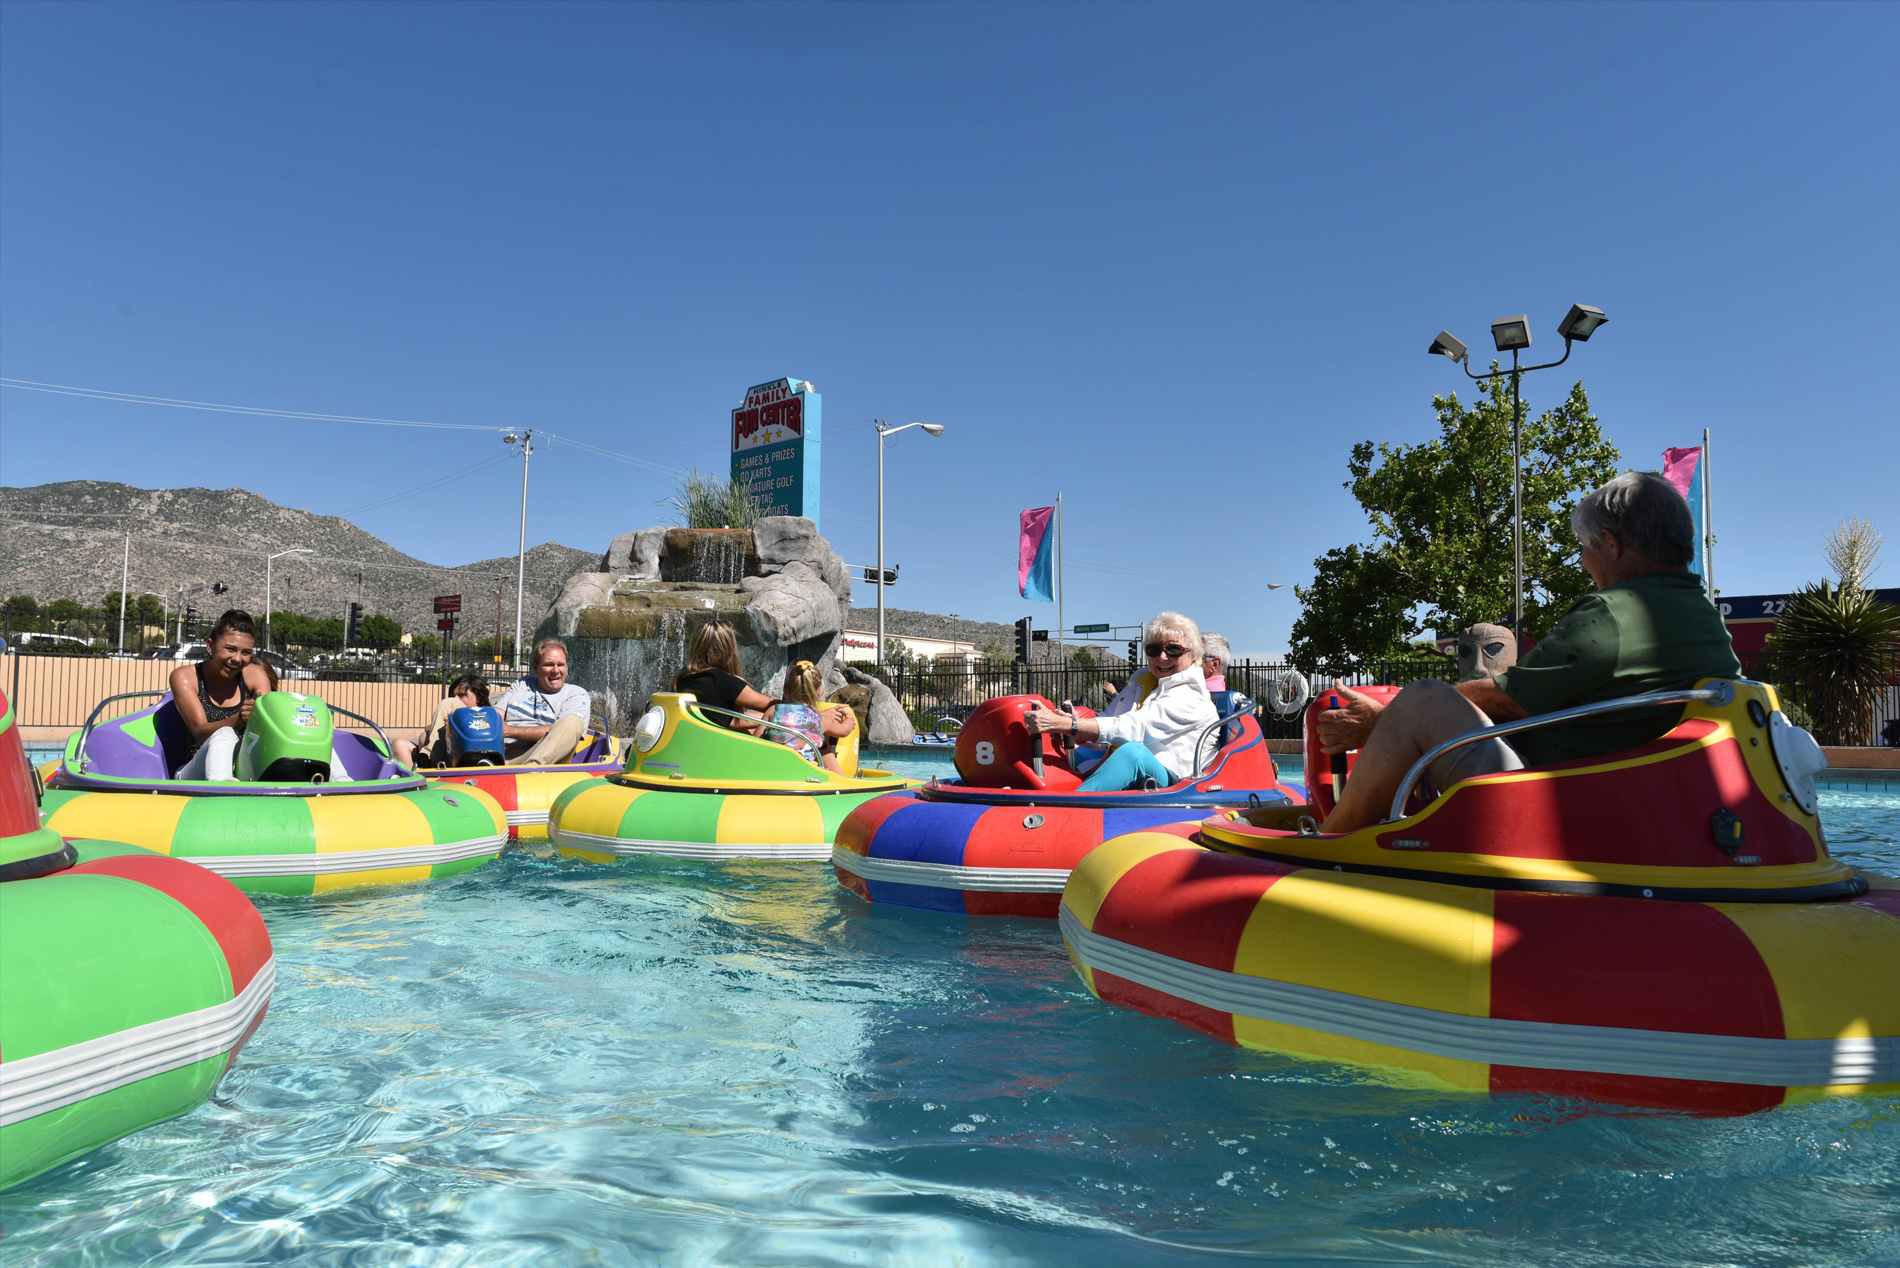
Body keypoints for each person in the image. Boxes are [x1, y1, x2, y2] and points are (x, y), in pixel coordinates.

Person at [1316, 471, 1744, 835]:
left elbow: (1509, 700)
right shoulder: (1706, 620)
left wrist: (1384, 719)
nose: (1582, 562)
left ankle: (1331, 843)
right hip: (1651, 804)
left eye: (1584, 547)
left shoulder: (1613, 613)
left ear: (1611, 544)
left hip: (1565, 809)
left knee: (1422, 701)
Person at [1024, 610, 1219, 791]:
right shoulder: (1143, 682)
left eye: (1174, 649)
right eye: (1154, 649)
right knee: (1064, 755)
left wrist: (1069, 725)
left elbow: (1134, 729)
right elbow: (1109, 720)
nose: (1162, 657)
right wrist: (1077, 728)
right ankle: (1021, 791)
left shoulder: (1191, 693)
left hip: (1176, 782)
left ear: (1194, 656)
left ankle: (1062, 807)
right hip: (1122, 762)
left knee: (1134, 754)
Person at [170, 609, 274, 780]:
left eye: (246, 652)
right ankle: (221, 790)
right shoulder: (185, 677)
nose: (237, 659)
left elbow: (267, 726)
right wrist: (240, 718)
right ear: (210, 646)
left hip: (243, 769)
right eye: (230, 649)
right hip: (194, 774)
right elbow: (201, 733)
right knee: (224, 734)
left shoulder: (255, 674)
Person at [497, 638, 592, 765]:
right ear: (535, 668)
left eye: (560, 665)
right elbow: (496, 715)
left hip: (542, 758)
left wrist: (509, 731)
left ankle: (532, 769)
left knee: (573, 721)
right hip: (502, 753)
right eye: (549, 665)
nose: (556, 670)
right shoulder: (522, 684)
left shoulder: (576, 695)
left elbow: (562, 732)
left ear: (567, 668)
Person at [674, 619, 775, 731]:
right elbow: (774, 706)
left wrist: (766, 717)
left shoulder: (682, 678)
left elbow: (729, 720)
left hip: (697, 734)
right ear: (728, 648)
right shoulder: (723, 682)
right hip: (717, 739)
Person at [767, 659, 857, 772]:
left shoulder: (773, 710)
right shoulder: (820, 719)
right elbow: (844, 730)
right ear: (820, 693)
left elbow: (756, 741)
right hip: (805, 773)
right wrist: (849, 718)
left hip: (773, 769)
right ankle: (841, 780)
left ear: (785, 690)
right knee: (821, 744)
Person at [394, 673, 492, 768]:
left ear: (478, 697)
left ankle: (433, 762)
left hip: (469, 756)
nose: (455, 698)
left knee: (447, 703)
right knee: (400, 744)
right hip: (445, 755)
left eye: (462, 695)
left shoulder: (491, 714)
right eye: (452, 695)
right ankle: (415, 777)